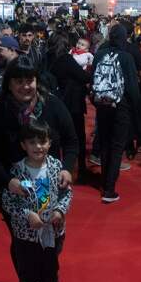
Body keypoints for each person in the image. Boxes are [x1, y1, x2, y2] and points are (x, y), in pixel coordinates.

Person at [0, 55, 78, 282]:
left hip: (49, 187)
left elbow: (71, 142)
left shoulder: (53, 106)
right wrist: (8, 182)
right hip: (17, 191)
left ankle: (49, 281)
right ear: (9, 83)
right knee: (23, 242)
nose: (25, 86)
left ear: (37, 80)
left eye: (30, 80)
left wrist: (67, 169)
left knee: (53, 239)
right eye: (19, 81)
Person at [2, 120, 72, 282]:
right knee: (28, 274)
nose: (38, 147)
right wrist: (27, 215)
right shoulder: (17, 171)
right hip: (26, 235)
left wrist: (60, 211)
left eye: (42, 141)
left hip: (53, 231)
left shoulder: (56, 166)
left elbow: (67, 193)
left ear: (50, 143)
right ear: (23, 145)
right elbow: (8, 202)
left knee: (50, 271)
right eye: (32, 142)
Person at [91, 24, 140, 203]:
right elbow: (132, 87)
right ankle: (109, 188)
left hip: (102, 104)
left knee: (104, 142)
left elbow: (93, 79)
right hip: (121, 106)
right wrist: (135, 106)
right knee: (117, 146)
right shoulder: (126, 57)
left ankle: (105, 180)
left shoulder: (99, 54)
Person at [48, 33, 91, 178]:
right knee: (76, 136)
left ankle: (55, 167)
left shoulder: (47, 57)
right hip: (72, 102)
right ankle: (77, 168)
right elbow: (84, 77)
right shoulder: (66, 59)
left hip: (54, 100)